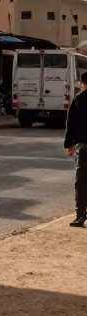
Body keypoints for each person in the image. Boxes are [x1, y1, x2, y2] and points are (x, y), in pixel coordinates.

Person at [64, 70, 87, 227]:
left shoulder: (79, 99)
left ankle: (80, 215)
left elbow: (70, 123)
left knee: (81, 181)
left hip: (83, 146)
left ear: (82, 84)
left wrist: (69, 144)